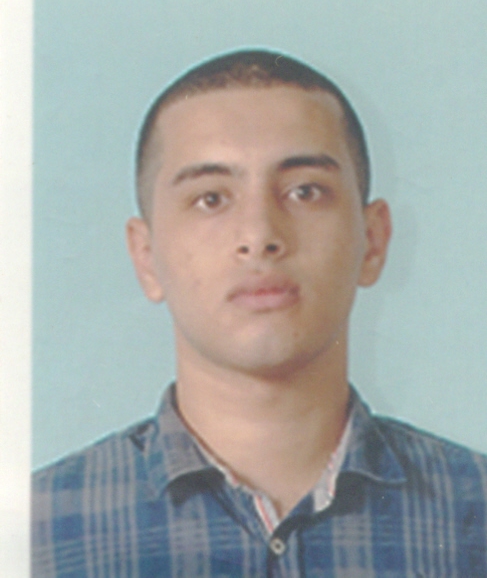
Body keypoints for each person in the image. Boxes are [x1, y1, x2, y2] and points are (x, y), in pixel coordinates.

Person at [32, 49, 487, 577]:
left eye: (304, 192)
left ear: (373, 241)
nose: (259, 235)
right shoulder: (37, 533)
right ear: (146, 255)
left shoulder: (473, 513)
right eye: (211, 198)